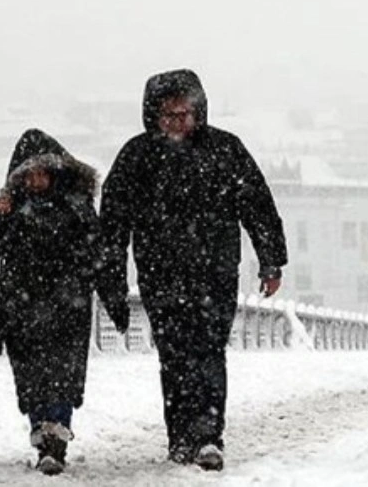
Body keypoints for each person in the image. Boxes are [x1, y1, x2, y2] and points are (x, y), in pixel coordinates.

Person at [98, 69, 288, 471]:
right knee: (174, 354)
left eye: (185, 113)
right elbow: (112, 223)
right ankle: (180, 436)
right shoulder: (137, 157)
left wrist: (271, 259)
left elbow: (257, 205)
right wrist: (111, 278)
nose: (178, 122)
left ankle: (207, 435)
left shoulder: (225, 150)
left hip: (214, 272)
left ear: (198, 112)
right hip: (160, 274)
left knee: (208, 351)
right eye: (169, 115)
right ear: (154, 115)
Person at [0, 129, 130, 476]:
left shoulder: (77, 208)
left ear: (58, 171)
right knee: (31, 378)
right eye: (29, 174)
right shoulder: (10, 209)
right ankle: (42, 434)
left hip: (67, 308)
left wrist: (115, 300)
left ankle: (54, 440)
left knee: (62, 375)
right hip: (22, 308)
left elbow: (100, 258)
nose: (37, 180)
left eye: (43, 171)